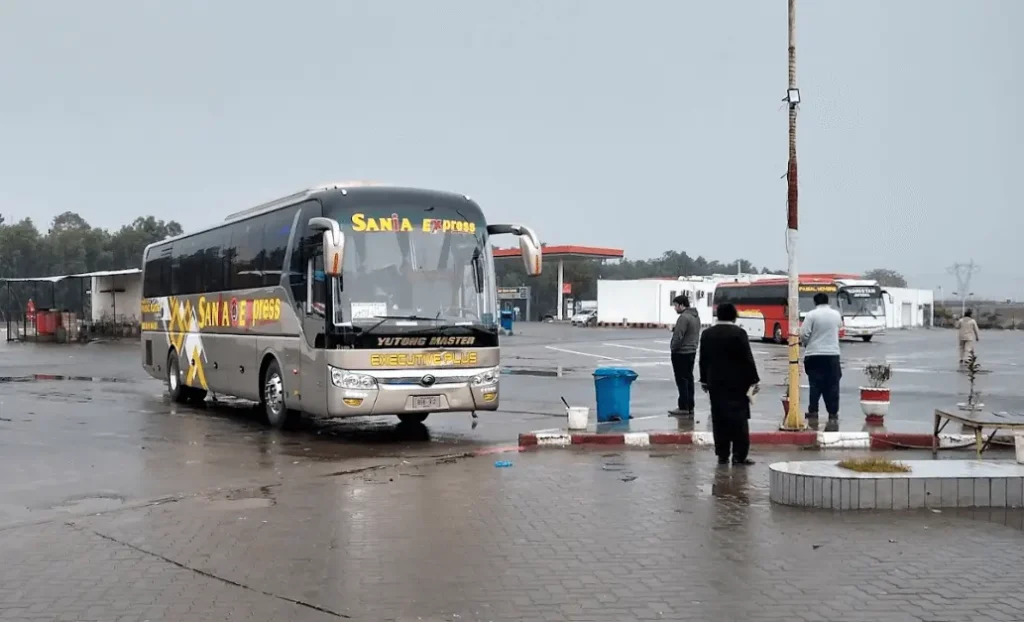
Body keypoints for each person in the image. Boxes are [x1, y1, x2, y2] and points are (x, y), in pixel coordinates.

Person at [698, 303, 760, 465]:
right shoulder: (739, 333)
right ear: (734, 316)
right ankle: (739, 455)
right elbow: (747, 358)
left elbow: (703, 360)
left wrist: (704, 379)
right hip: (738, 384)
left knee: (719, 419)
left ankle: (722, 454)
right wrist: (754, 379)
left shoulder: (707, 334)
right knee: (739, 419)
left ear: (718, 315)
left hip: (715, 383)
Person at [800, 292, 843, 425]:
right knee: (833, 385)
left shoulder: (811, 315)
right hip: (832, 355)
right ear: (827, 301)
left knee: (815, 384)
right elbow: (840, 326)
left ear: (815, 302)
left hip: (814, 354)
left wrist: (807, 344)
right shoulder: (836, 314)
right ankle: (833, 413)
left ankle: (813, 411)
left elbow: (804, 333)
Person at [669, 294, 701, 416]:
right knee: (689, 379)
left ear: (682, 305)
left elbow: (679, 336)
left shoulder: (683, 318)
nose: (675, 308)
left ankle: (683, 407)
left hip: (681, 353)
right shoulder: (695, 317)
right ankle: (690, 406)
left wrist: (673, 348)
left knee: (681, 380)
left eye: (676, 305)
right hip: (691, 351)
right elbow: (691, 332)